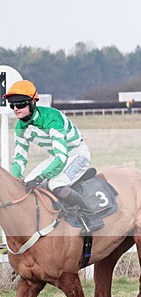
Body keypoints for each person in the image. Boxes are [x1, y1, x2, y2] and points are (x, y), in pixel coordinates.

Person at [3, 79, 104, 234]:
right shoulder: (20, 127)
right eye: (12, 105)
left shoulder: (52, 118)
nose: (15, 108)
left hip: (76, 153)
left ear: (32, 103)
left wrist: (41, 177)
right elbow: (19, 158)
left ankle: (91, 217)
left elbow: (62, 157)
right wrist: (17, 180)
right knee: (24, 188)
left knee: (56, 183)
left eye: (20, 104)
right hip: (55, 156)